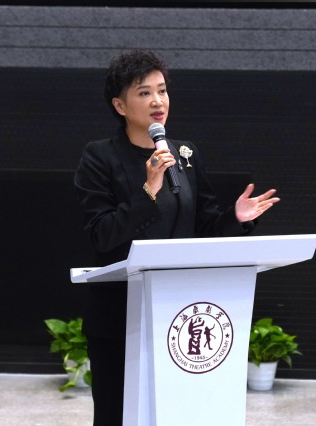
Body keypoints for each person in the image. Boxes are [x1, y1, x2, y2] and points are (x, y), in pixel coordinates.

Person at [73, 49, 280, 426]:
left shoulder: (185, 155)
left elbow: (204, 227)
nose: (158, 101)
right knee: (118, 414)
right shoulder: (99, 157)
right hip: (121, 318)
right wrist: (148, 190)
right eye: (144, 93)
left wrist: (236, 218)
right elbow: (102, 235)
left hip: (179, 315)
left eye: (162, 90)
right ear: (120, 105)